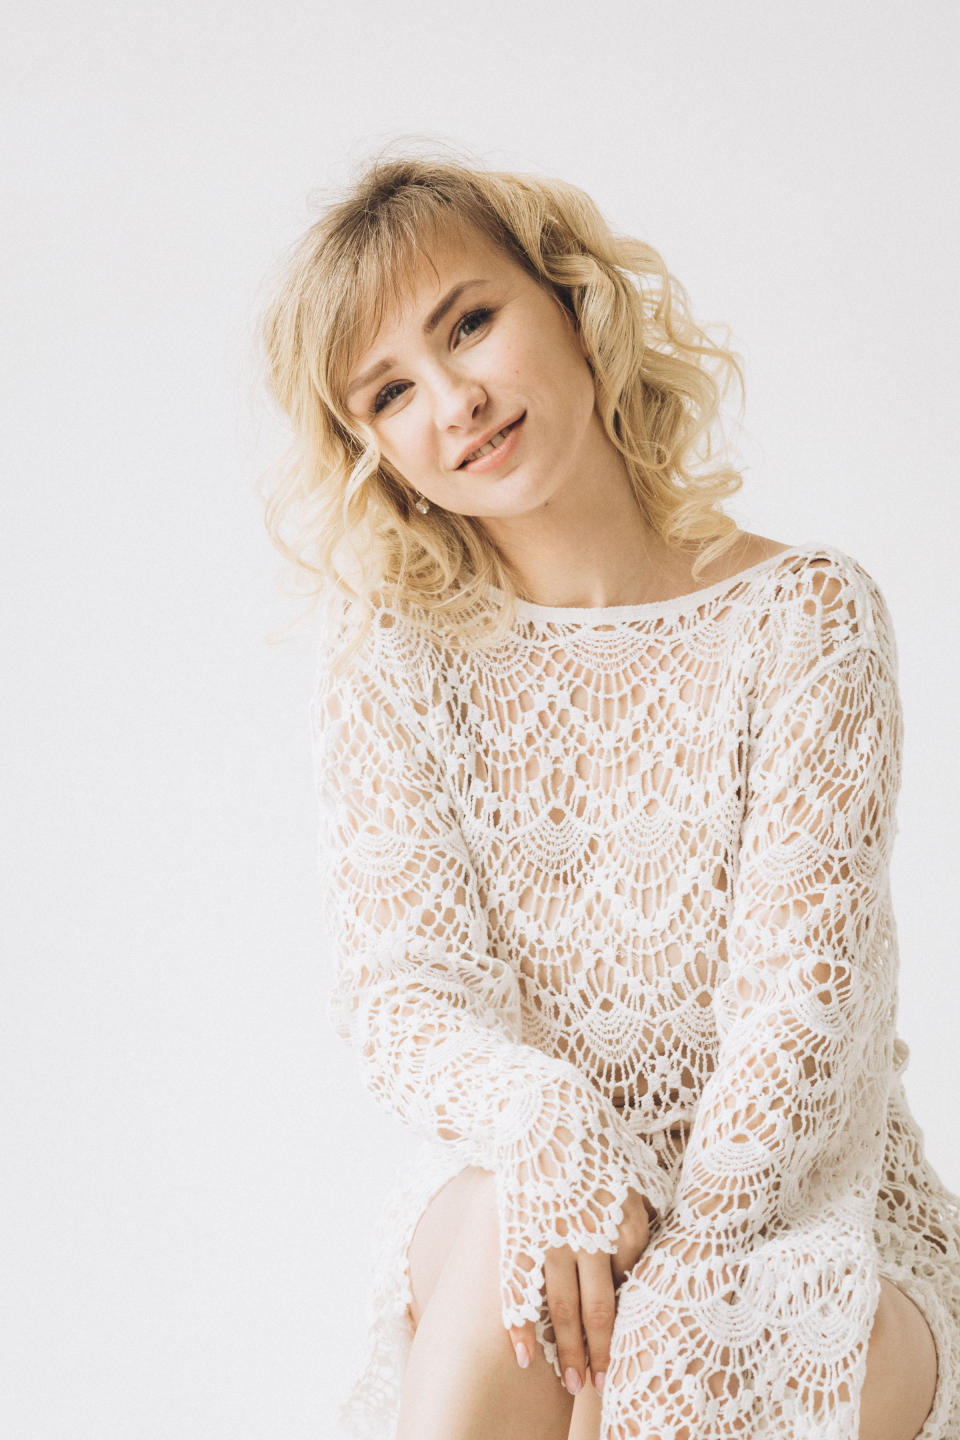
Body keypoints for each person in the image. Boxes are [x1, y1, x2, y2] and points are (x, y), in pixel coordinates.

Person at [256, 149, 960, 1440]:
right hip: (541, 1200)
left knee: (691, 1354)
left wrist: (666, 1283)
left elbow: (798, 1017)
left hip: (804, 1221)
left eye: (469, 322)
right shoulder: (394, 657)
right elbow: (404, 991)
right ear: (379, 452)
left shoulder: (806, 620)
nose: (455, 401)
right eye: (391, 392)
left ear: (571, 300)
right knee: (505, 1237)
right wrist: (550, 1127)